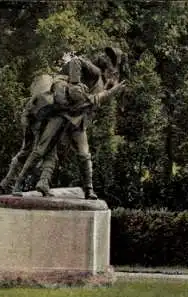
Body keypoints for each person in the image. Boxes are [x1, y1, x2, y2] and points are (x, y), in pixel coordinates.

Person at [11, 56, 126, 199]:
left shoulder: (102, 85)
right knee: (41, 150)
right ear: (108, 71)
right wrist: (75, 84)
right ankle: (18, 183)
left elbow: (93, 101)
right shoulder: (95, 72)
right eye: (114, 73)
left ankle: (88, 189)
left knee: (84, 154)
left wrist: (111, 91)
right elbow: (76, 60)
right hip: (62, 115)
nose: (114, 77)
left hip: (78, 120)